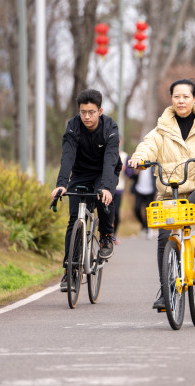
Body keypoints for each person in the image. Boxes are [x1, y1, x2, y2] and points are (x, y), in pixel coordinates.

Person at [127, 78, 195, 310]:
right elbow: (147, 145)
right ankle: (166, 288)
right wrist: (139, 158)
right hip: (172, 190)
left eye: (186, 97)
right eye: (176, 97)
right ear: (171, 99)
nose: (181, 101)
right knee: (164, 237)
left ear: (194, 99)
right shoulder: (161, 129)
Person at [51, 89, 122, 292]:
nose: (87, 117)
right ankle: (70, 269)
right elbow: (67, 156)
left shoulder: (110, 127)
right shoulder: (73, 126)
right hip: (81, 172)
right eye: (83, 112)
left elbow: (110, 160)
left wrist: (107, 187)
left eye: (91, 112)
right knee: (74, 219)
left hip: (103, 171)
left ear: (100, 111)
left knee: (103, 197)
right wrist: (62, 183)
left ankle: (107, 234)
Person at [127, 164, 156, 239]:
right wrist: (136, 172)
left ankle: (148, 229)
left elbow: (157, 179)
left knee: (148, 212)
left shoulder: (153, 167)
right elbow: (131, 177)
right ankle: (143, 225)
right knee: (136, 208)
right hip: (139, 190)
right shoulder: (139, 165)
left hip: (150, 191)